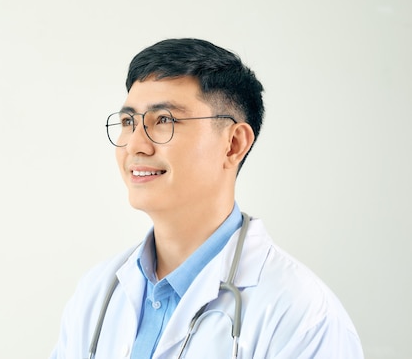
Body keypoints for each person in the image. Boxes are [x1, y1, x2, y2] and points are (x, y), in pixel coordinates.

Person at [50, 38, 363, 358]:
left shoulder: (301, 316)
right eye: (129, 122)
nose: (135, 145)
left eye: (164, 121)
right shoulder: (97, 294)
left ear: (233, 144)